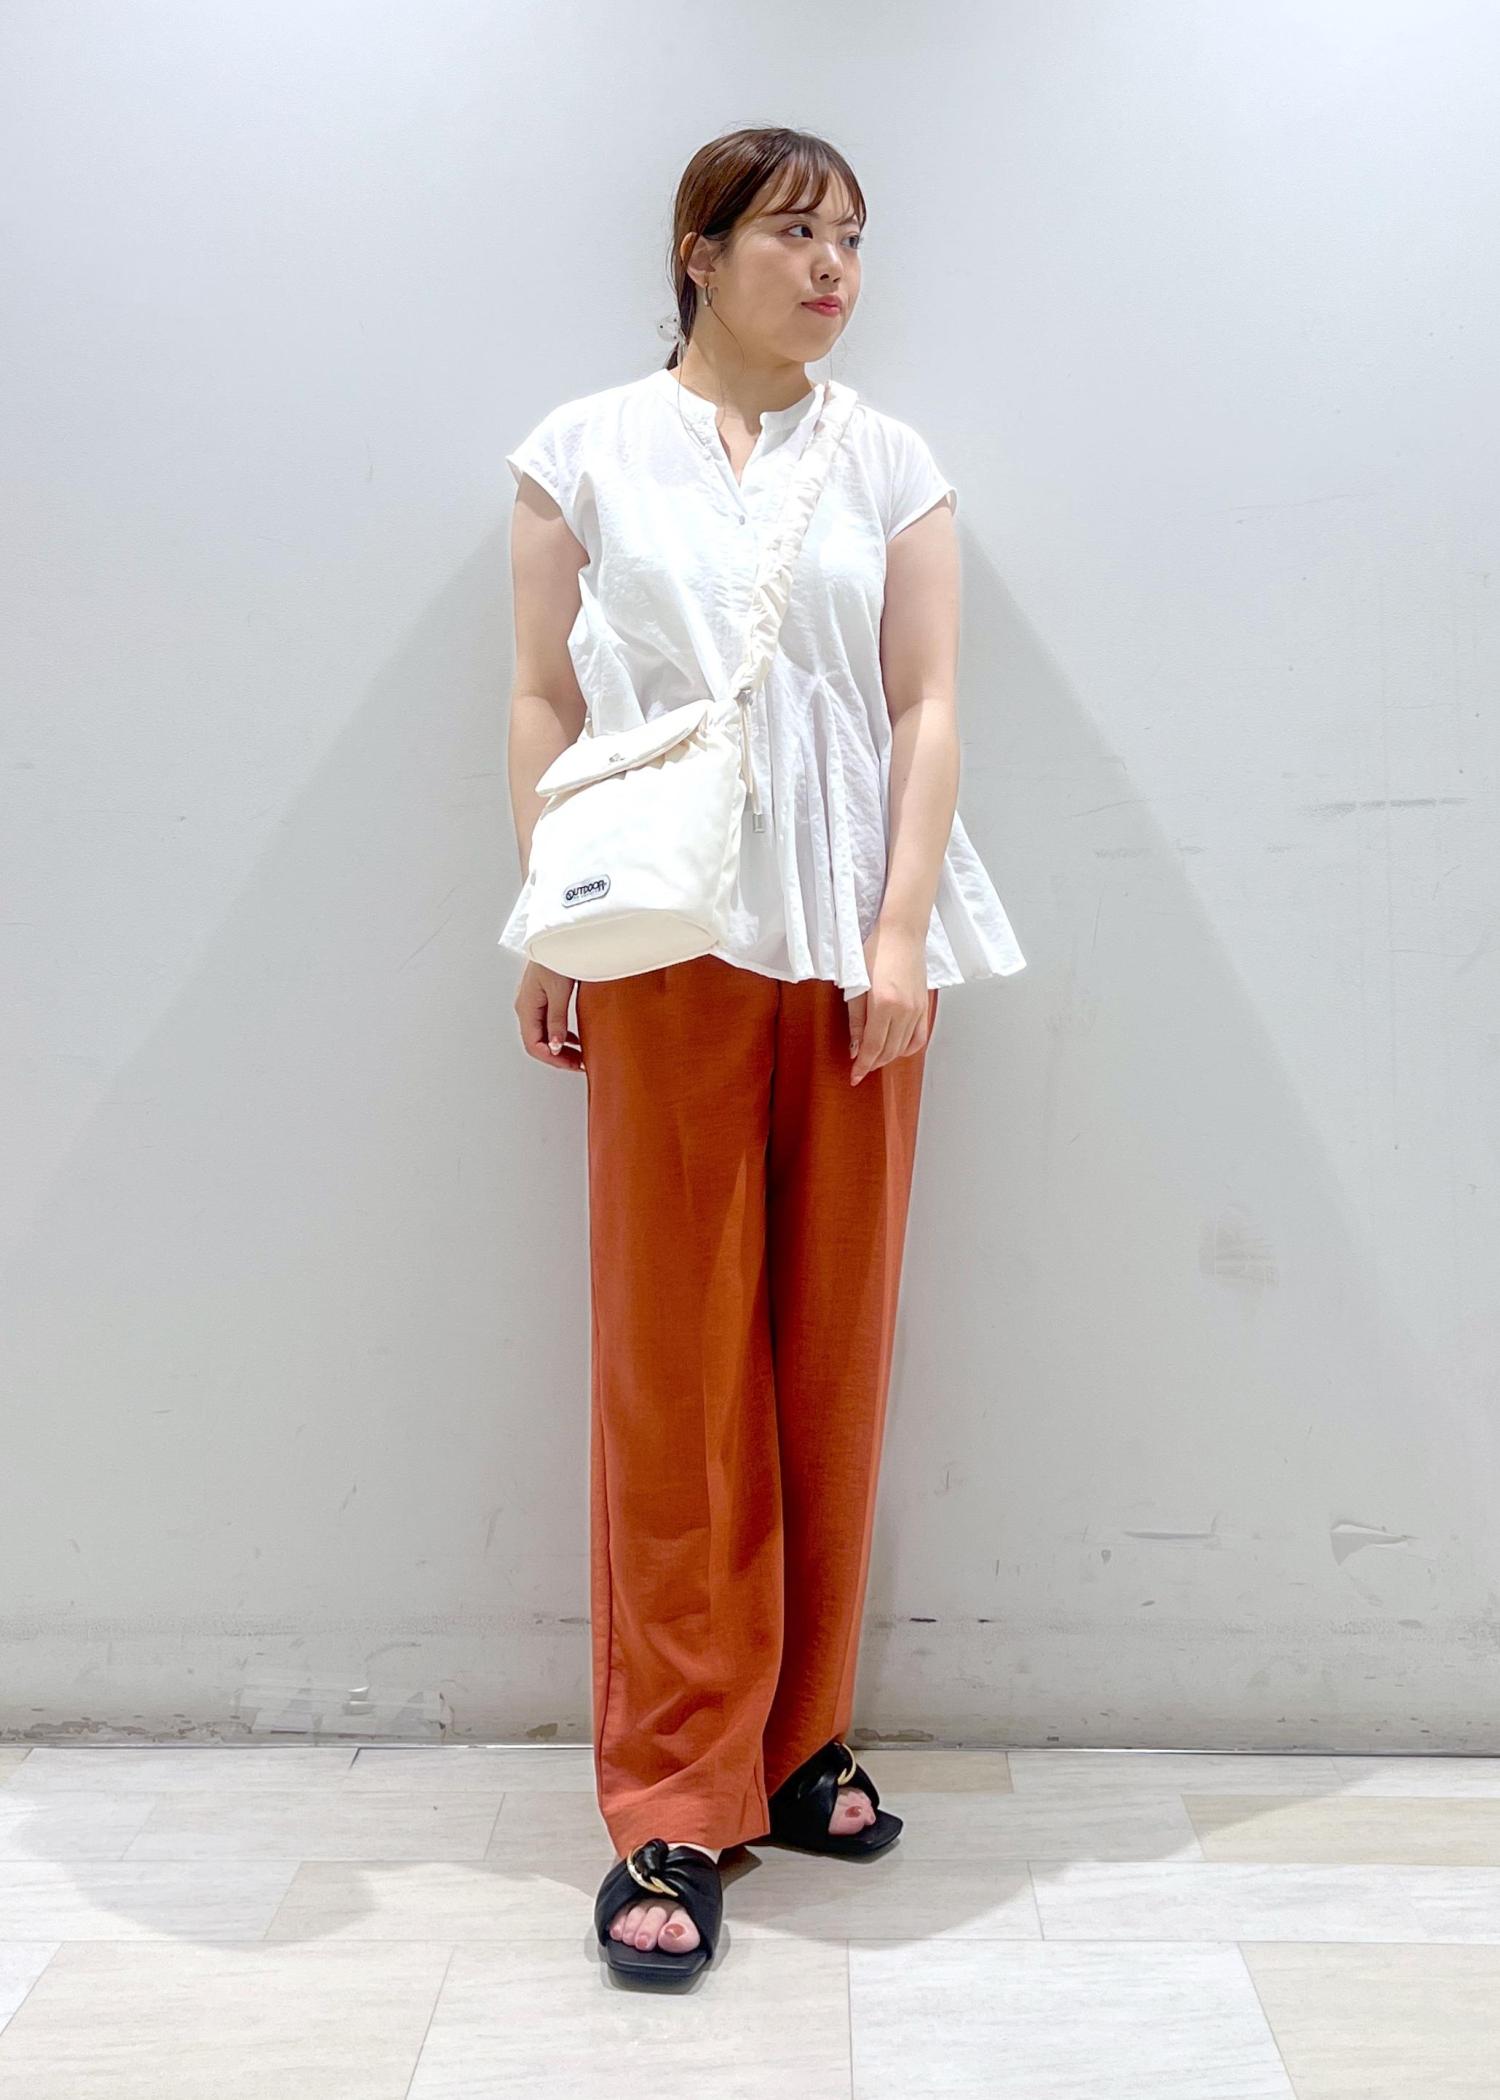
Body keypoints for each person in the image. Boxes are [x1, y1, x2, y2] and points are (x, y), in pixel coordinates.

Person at [499, 127, 1026, 1984]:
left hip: (853, 942)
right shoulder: (578, 451)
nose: (832, 267)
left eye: (853, 238)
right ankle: (671, 1792)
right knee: (674, 1369)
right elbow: (545, 697)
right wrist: (546, 915)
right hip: (665, 934)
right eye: (796, 232)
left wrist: (898, 934)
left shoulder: (889, 460)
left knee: (832, 1348)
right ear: (700, 251)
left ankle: (795, 1745)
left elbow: (924, 701)